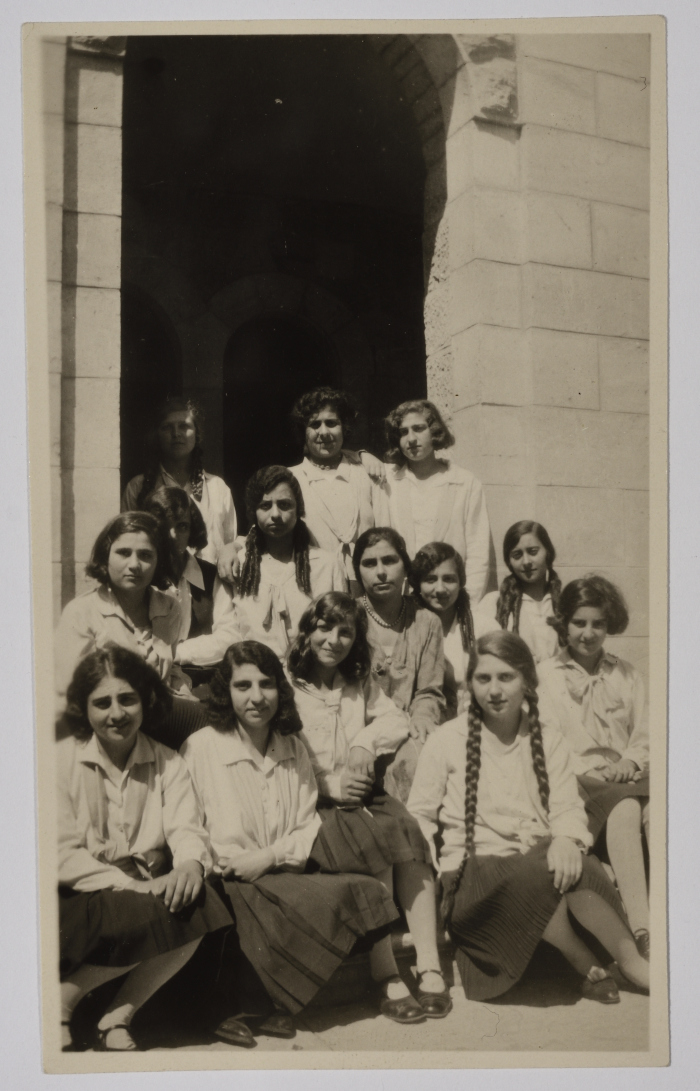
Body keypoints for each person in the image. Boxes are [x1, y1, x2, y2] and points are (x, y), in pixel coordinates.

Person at [407, 631, 650, 1005]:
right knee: (537, 870)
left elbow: (568, 807)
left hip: (534, 861)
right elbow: (419, 815)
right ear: (470, 684)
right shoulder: (447, 739)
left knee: (580, 866)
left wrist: (568, 839)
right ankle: (579, 956)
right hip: (474, 877)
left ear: (528, 683)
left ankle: (632, 963)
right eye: (483, 678)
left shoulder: (546, 739)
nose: (494, 690)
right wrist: (434, 873)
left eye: (506, 677)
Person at [181, 641, 399, 1041]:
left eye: (266, 684)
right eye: (243, 686)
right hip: (226, 875)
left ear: (280, 691)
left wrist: (268, 857)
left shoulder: (291, 746)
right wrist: (226, 864)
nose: (256, 697)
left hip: (276, 867)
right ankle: (245, 1004)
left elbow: (306, 825)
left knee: (360, 892)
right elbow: (189, 826)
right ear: (226, 692)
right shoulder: (203, 746)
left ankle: (273, 998)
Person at [57, 646, 233, 1052]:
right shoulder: (60, 762)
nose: (116, 713)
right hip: (80, 888)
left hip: (142, 885)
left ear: (146, 702)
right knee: (142, 905)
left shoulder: (167, 762)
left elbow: (186, 826)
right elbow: (60, 853)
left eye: (127, 699)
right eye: (102, 703)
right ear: (84, 709)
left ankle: (117, 1017)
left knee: (201, 900)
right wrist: (129, 885)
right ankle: (60, 1003)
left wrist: (190, 864)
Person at [288, 593, 452, 1024]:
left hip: (362, 794)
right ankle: (387, 973)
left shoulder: (358, 683)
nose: (334, 640)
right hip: (316, 801)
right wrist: (329, 786)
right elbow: (283, 757)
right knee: (373, 845)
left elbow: (395, 719)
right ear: (307, 631)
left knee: (408, 833)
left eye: (345, 632)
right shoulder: (289, 685)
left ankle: (431, 964)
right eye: (324, 627)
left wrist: (364, 741)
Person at [537, 576, 650, 959]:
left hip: (626, 775)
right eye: (579, 623)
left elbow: (647, 730)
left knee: (656, 808)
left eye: (597, 624)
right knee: (627, 805)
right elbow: (546, 741)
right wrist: (595, 769)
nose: (588, 633)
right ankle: (642, 925)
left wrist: (631, 760)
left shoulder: (627, 674)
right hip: (577, 782)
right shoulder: (544, 678)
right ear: (563, 623)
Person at [54, 512, 206, 747]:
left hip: (158, 725)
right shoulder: (81, 612)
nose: (134, 565)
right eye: (123, 553)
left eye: (145, 555)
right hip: (107, 730)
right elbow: (71, 694)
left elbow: (171, 668)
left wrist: (186, 693)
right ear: (106, 556)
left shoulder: (169, 608)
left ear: (158, 561)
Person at [353, 527, 445, 802]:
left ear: (405, 567)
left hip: (408, 731)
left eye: (389, 561)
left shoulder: (427, 622)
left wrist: (422, 717)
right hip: (359, 734)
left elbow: (429, 691)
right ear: (358, 572)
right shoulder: (347, 617)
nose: (380, 572)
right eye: (369, 563)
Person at [231, 465, 346, 662]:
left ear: (298, 509)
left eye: (284, 505)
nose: (275, 514)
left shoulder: (326, 565)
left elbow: (341, 629)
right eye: (265, 506)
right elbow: (230, 633)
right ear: (253, 511)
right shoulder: (239, 565)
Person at [381, 399, 490, 604]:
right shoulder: (388, 482)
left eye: (419, 429)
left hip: (449, 598)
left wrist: (468, 603)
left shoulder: (464, 483)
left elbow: (478, 551)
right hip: (403, 602)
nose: (411, 439)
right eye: (403, 432)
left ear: (435, 431)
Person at [287, 387, 390, 589]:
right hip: (313, 582)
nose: (324, 432)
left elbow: (386, 531)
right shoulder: (291, 478)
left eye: (332, 423)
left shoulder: (367, 473)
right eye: (315, 424)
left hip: (366, 582)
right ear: (304, 432)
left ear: (345, 427)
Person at [121, 396, 237, 570]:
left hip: (210, 589)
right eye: (167, 427)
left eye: (184, 426)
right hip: (159, 586)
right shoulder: (137, 487)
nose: (176, 434)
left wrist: (232, 548)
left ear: (197, 434)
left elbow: (230, 541)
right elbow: (127, 541)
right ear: (157, 435)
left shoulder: (217, 487)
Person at [141, 486, 239, 682]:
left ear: (192, 529)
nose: (173, 535)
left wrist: (175, 652)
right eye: (163, 526)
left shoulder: (211, 576)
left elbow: (230, 637)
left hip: (206, 682)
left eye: (182, 526)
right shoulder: (141, 577)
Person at [474, 520, 561, 663]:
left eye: (533, 552)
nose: (526, 561)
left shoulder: (564, 603)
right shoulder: (493, 603)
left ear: (548, 553)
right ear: (509, 562)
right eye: (517, 555)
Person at [410, 542, 475, 720]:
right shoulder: (406, 626)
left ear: (461, 582)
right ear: (417, 585)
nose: (440, 589)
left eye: (449, 579)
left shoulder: (480, 626)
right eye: (430, 579)